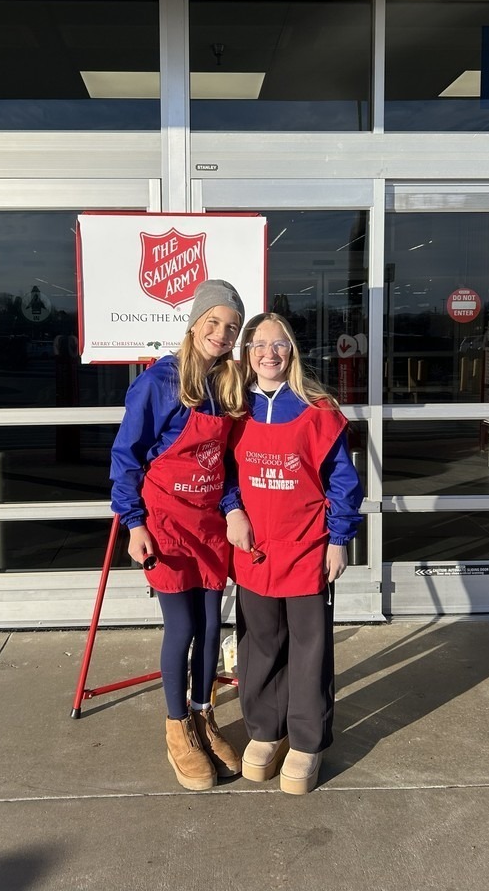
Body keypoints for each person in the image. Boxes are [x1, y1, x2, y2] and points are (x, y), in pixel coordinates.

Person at [110, 279, 246, 791]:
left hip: (210, 525)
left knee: (213, 626)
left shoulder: (230, 384)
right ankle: (176, 730)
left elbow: (228, 463)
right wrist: (134, 522)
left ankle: (203, 715)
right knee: (183, 626)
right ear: (193, 322)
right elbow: (126, 457)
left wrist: (233, 508)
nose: (221, 332)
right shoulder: (159, 383)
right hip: (165, 523)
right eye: (213, 321)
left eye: (231, 326)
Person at [224, 312, 363, 795]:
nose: (269, 353)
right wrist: (231, 510)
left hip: (307, 548)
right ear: (247, 354)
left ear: (292, 351)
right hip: (255, 551)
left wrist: (339, 538)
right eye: (259, 344)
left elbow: (344, 482)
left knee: (309, 649)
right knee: (259, 644)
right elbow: (222, 473)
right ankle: (265, 730)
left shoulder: (318, 409)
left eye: (278, 344)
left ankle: (307, 740)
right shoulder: (234, 409)